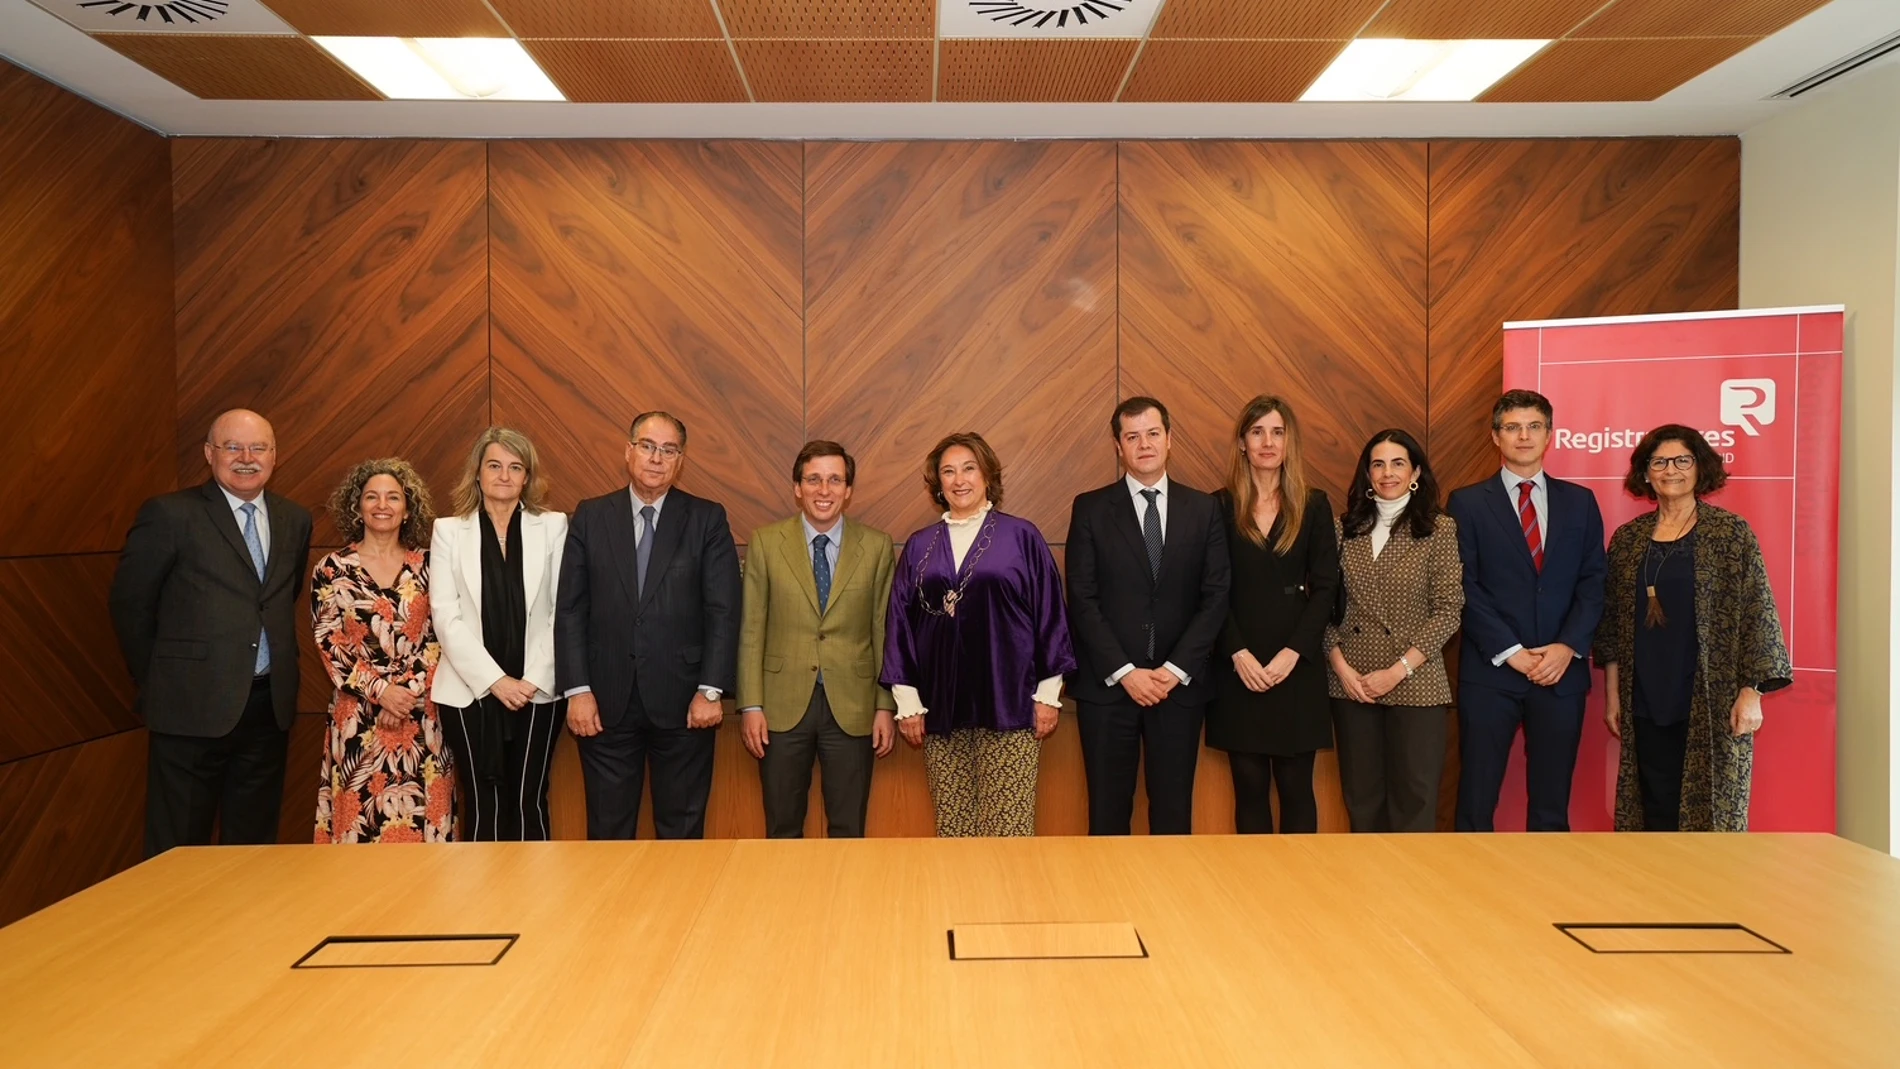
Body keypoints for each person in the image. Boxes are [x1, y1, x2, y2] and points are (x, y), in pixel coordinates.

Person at [109, 409, 314, 857]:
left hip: (267, 708)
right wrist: (162, 680)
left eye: (258, 447)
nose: (246, 458)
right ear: (209, 454)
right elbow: (131, 605)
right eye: (233, 447)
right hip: (189, 709)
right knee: (178, 850)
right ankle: (175, 930)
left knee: (254, 849)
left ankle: (246, 929)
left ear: (275, 456)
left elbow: (279, 598)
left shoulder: (294, 520)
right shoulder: (170, 514)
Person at [1595, 425, 1791, 831]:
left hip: (1711, 699)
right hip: (1644, 696)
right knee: (1651, 806)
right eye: (1660, 461)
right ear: (1645, 473)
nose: (1672, 470)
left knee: (1712, 811)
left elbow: (1758, 612)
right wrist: (1613, 696)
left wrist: (1751, 693)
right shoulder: (1628, 539)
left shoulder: (1730, 533)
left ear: (1699, 469)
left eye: (1683, 460)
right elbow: (1611, 623)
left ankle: (1707, 893)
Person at [556, 411, 741, 840]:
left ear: (680, 460)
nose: (657, 458)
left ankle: (680, 910)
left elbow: (724, 610)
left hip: (686, 703)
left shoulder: (707, 519)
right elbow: (570, 609)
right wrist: (578, 691)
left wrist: (711, 689)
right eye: (647, 446)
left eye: (669, 450)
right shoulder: (590, 516)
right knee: (607, 831)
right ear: (628, 451)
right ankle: (612, 911)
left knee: (682, 831)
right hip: (604, 702)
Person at [882, 432, 1076, 837]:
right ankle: (958, 903)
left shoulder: (1022, 536)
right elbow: (900, 622)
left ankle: (1007, 903)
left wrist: (1047, 695)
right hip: (941, 709)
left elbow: (1051, 616)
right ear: (937, 483)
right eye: (947, 471)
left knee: (1007, 829)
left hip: (1011, 705)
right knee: (955, 829)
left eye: (968, 468)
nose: (959, 480)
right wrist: (908, 703)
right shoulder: (920, 546)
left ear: (987, 474)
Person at [1065, 397, 1229, 835]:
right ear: (1118, 446)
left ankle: (1171, 904)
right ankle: (1106, 903)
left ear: (1169, 439)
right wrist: (1126, 672)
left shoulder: (1204, 509)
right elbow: (1082, 598)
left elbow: (1215, 596)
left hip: (1178, 689)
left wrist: (1174, 670)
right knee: (1107, 814)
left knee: (1174, 814)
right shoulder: (1091, 508)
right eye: (1132, 436)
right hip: (1110, 688)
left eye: (1153, 433)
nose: (1144, 444)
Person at [1447, 390, 1606, 832]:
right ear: (1496, 437)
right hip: (1492, 673)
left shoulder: (1580, 502)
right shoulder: (1467, 503)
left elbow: (1594, 583)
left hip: (1560, 674)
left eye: (1534, 426)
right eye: (1513, 427)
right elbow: (1464, 585)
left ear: (1549, 435)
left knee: (1552, 805)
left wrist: (1568, 647)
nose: (1524, 436)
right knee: (1476, 802)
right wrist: (1511, 650)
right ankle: (1466, 892)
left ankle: (1547, 895)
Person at [737, 441, 898, 838]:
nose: (823, 490)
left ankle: (845, 902)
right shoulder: (765, 542)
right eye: (813, 479)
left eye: (834, 480)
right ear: (797, 487)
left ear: (848, 491)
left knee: (848, 825)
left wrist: (884, 706)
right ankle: (785, 902)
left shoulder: (876, 546)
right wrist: (751, 705)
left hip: (854, 706)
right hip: (779, 705)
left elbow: (884, 630)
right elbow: (752, 629)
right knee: (782, 825)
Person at [1206, 396, 1339, 834]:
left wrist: (1293, 654)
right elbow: (1210, 592)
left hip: (1294, 666)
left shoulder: (1314, 504)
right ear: (1242, 442)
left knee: (1297, 785)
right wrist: (1237, 652)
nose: (1267, 441)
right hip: (1237, 665)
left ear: (1289, 442)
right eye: (1257, 432)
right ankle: (1254, 894)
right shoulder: (1218, 507)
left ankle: (1301, 895)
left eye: (1277, 432)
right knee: (1248, 786)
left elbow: (1326, 589)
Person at [429, 428, 568, 841]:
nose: (504, 476)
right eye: (494, 465)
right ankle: (480, 905)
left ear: (527, 477)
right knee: (482, 800)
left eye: (515, 467)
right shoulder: (448, 531)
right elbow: (445, 615)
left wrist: (529, 681)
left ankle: (537, 904)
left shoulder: (554, 526)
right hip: (468, 693)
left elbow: (562, 611)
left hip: (538, 689)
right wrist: (495, 682)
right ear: (477, 473)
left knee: (529, 799)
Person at [1326, 429, 1464, 833]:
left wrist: (1398, 670)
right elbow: (1323, 607)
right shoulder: (1342, 530)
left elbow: (1448, 610)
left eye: (1398, 463)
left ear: (1416, 471)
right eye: (1378, 464)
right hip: (1352, 685)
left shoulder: (1438, 530)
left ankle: (1411, 895)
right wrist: (1341, 668)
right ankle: (1364, 894)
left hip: (1416, 682)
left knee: (1414, 802)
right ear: (1367, 475)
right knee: (1362, 801)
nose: (1387, 473)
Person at [311, 458, 452, 843]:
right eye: (371, 497)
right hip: (358, 718)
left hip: (420, 713)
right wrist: (382, 693)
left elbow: (446, 635)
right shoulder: (331, 569)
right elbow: (329, 641)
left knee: (423, 824)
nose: (382, 505)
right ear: (357, 507)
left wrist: (405, 693)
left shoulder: (431, 565)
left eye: (393, 497)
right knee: (361, 824)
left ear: (408, 509)